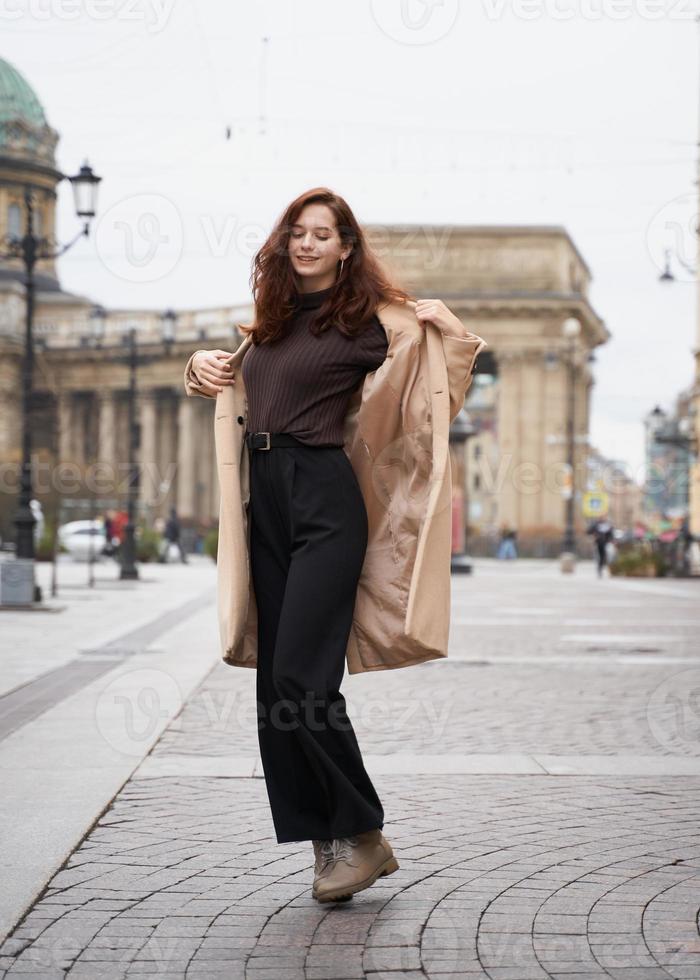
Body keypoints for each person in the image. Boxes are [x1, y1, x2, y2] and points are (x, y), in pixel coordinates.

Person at [183, 187, 487, 904]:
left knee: (301, 677)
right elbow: (243, 388)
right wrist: (199, 367)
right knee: (273, 688)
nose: (309, 243)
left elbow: (432, 399)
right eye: (299, 232)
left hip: (325, 499)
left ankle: (365, 831)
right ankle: (330, 841)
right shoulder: (268, 325)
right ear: (285, 244)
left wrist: (457, 335)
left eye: (324, 233)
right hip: (268, 501)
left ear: (347, 247)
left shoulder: (371, 325)